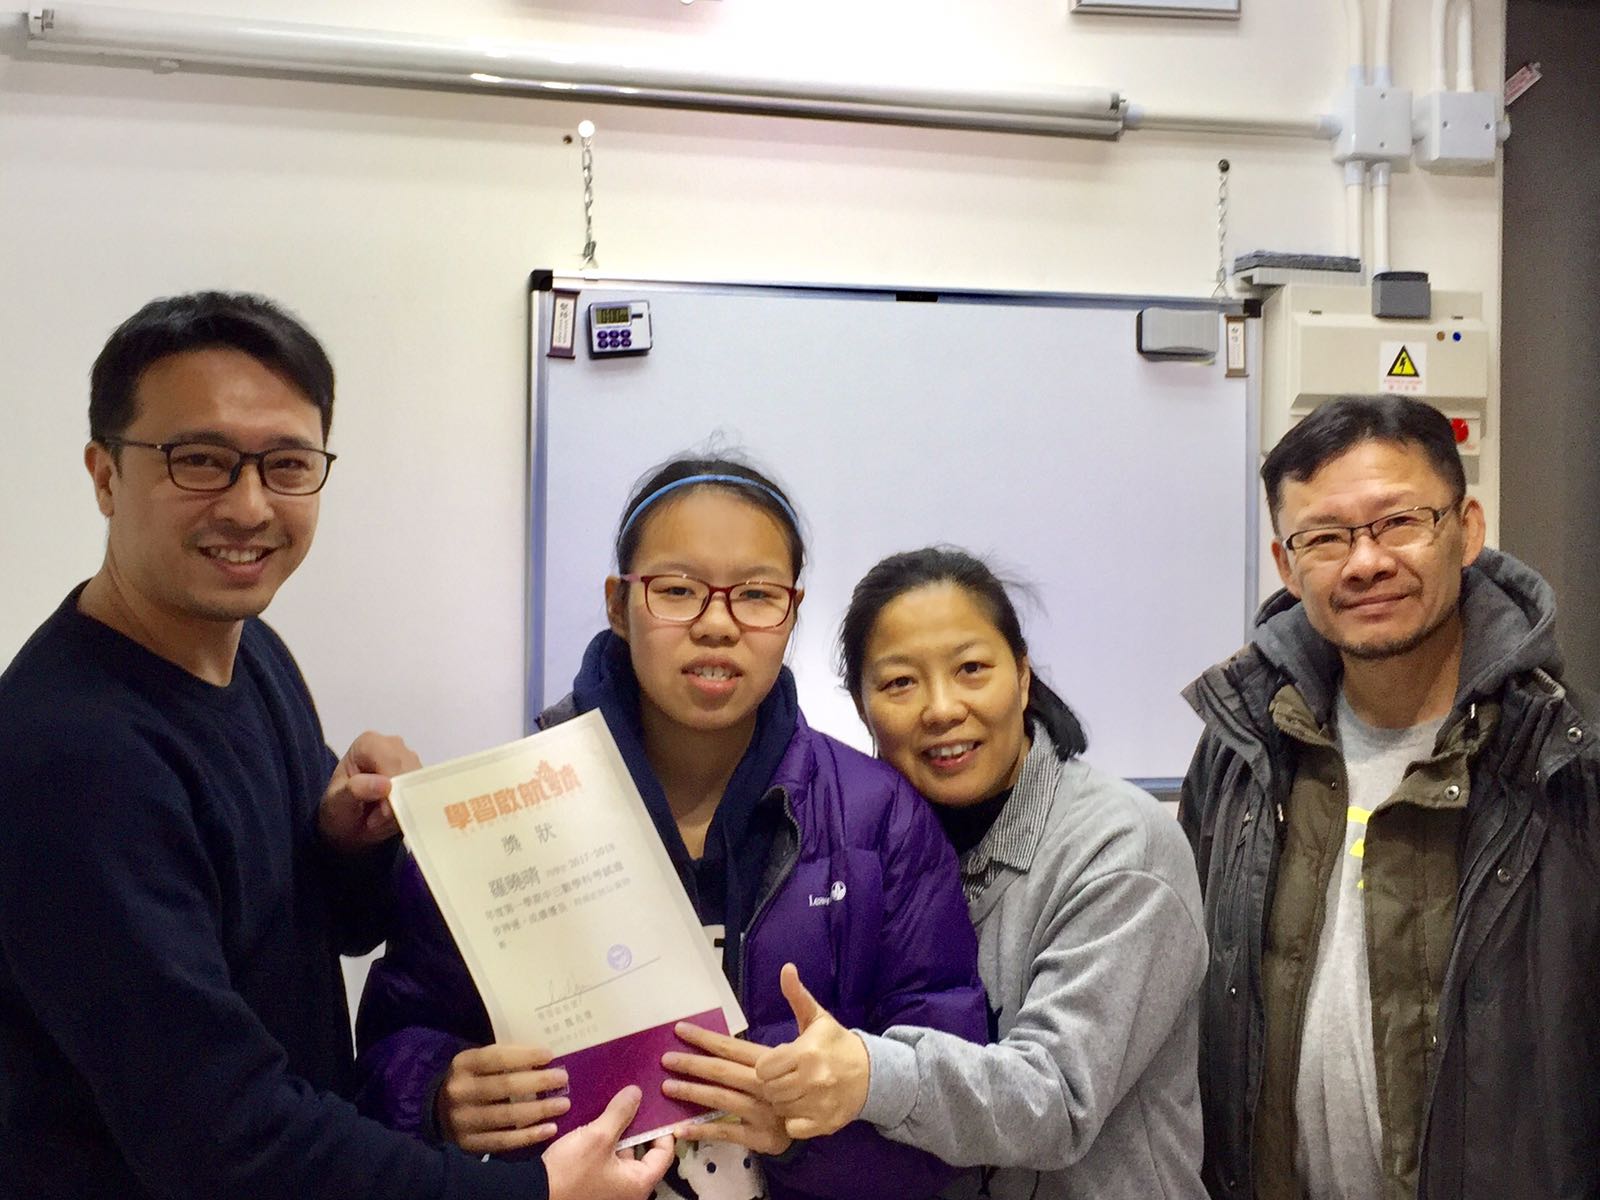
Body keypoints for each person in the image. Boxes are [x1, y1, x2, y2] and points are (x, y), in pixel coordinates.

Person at [0, 292, 672, 1200]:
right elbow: (223, 1137)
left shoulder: (248, 652)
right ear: (105, 474)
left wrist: (344, 840)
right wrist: (533, 1194)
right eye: (199, 461)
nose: (249, 506)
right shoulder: (71, 757)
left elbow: (320, 926)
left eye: (286, 465)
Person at [354, 457, 989, 1200]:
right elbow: (393, 1044)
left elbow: (952, 1106)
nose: (717, 625)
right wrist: (437, 1097)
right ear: (619, 606)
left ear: (791, 612)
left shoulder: (879, 816)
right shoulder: (504, 811)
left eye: (757, 595)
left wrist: (809, 1126)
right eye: (678, 590)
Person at [1178, 394, 1600, 1200]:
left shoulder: (1563, 767)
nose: (1365, 562)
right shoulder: (1241, 752)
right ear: (1286, 564)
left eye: (1400, 522)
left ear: (1467, 529)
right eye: (1325, 537)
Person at [694, 547, 1209, 1199]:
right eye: (899, 683)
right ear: (861, 708)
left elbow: (1058, 1098)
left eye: (971, 669)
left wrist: (869, 1075)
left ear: (1022, 677)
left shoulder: (1122, 847)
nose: (941, 709)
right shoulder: (862, 847)